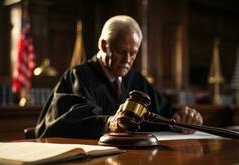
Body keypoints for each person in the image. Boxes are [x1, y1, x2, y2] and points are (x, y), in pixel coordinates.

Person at [35, 15, 203, 139]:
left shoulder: (135, 79)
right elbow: (69, 120)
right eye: (121, 52)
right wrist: (110, 124)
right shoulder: (78, 76)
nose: (127, 60)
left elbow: (162, 109)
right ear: (103, 45)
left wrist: (181, 116)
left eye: (133, 53)